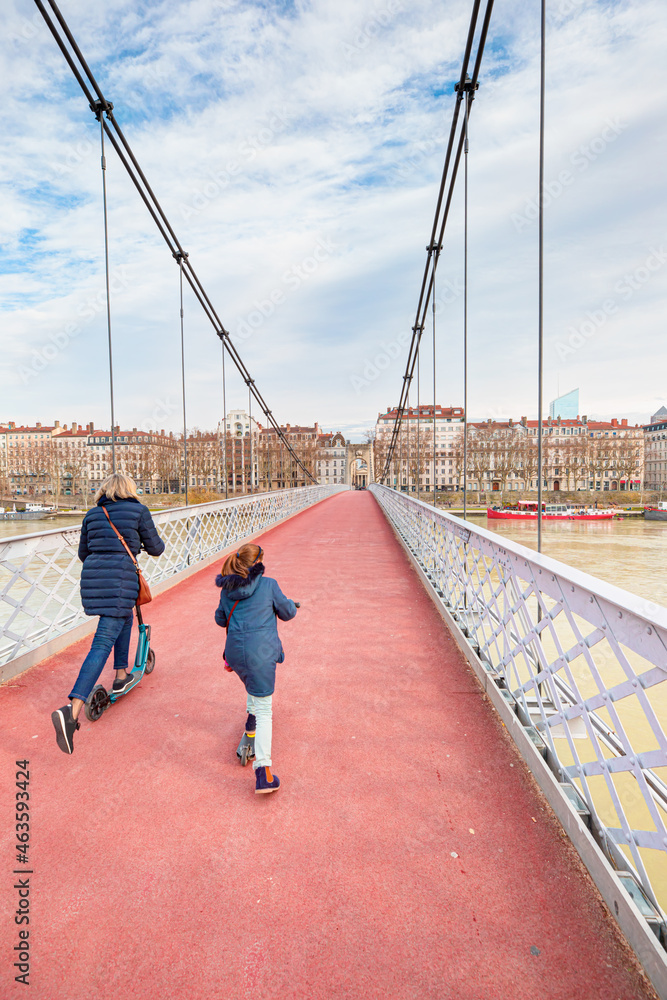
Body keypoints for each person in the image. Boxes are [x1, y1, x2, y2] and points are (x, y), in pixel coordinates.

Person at [51, 473, 165, 754]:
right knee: (102, 642)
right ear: (131, 490)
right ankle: (72, 709)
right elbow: (157, 549)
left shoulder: (92, 514)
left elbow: (83, 553)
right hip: (121, 580)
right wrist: (133, 544)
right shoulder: (139, 510)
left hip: (94, 579)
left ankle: (121, 673)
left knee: (123, 617)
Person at [215, 543, 297, 794]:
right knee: (265, 710)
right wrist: (290, 604)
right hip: (260, 654)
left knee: (252, 684)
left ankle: (250, 727)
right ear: (258, 562)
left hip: (236, 654)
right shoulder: (269, 584)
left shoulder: (227, 589)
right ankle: (263, 771)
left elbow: (220, 619)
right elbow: (288, 612)